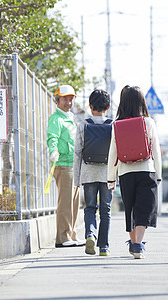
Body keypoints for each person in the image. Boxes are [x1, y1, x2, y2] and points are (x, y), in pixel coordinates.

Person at [107, 85, 162, 259]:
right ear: (141, 102)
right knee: (144, 209)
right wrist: (158, 174)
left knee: (130, 209)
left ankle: (134, 243)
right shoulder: (148, 122)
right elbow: (156, 151)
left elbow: (113, 154)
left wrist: (110, 179)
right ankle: (137, 244)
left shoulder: (116, 125)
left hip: (125, 173)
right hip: (146, 170)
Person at [73, 89, 113, 256]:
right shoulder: (113, 125)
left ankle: (90, 235)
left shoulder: (83, 125)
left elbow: (77, 153)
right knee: (106, 210)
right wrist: (115, 176)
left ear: (90, 106)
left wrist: (77, 179)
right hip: (107, 174)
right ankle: (104, 247)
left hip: (88, 173)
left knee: (90, 208)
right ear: (108, 107)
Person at [47, 85, 84, 247]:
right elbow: (52, 137)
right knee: (66, 202)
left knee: (74, 202)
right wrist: (53, 151)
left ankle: (71, 234)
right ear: (57, 100)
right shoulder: (56, 119)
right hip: (63, 165)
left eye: (71, 99)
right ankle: (62, 237)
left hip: (74, 164)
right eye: (64, 99)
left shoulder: (70, 118)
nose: (68, 102)